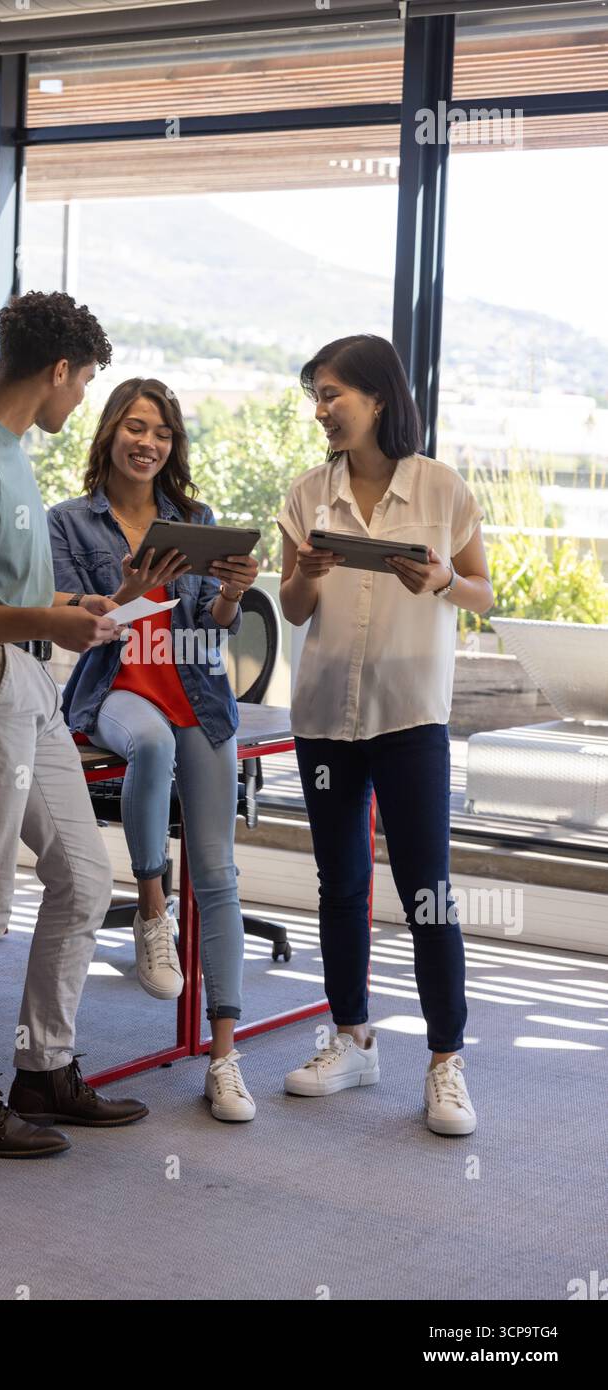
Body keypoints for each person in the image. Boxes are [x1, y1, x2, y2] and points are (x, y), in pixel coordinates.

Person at [0, 290, 149, 1159]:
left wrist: (57, 606)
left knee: (83, 877)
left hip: (24, 682)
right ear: (55, 371)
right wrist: (46, 622)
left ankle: (43, 1066)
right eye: (82, 381)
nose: (80, 397)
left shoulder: (9, 451)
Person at [277, 334, 493, 1137]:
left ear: (378, 397)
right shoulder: (307, 492)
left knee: (426, 894)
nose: (323, 410)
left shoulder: (439, 487)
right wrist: (305, 572)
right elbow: (293, 610)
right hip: (326, 718)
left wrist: (438, 578)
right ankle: (352, 1036)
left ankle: (445, 1062)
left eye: (334, 393)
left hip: (409, 720)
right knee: (339, 885)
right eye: (317, 397)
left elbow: (481, 590)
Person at [47, 377, 260, 1122]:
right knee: (149, 749)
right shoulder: (68, 523)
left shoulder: (191, 519)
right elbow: (75, 623)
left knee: (221, 872)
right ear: (108, 434)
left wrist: (231, 591)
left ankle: (225, 1057)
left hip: (197, 690)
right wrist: (132, 591)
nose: (149, 443)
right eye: (136, 427)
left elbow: (213, 622)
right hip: (117, 689)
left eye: (163, 432)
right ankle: (150, 909)